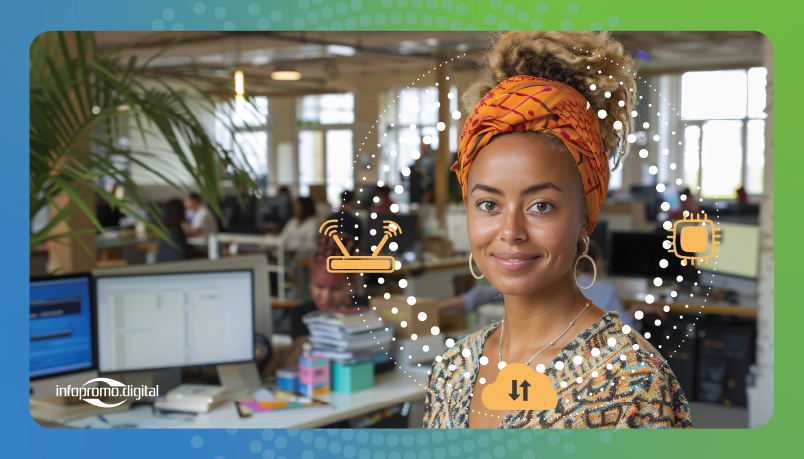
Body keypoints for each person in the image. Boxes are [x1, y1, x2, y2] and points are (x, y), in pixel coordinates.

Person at [424, 31, 690, 429]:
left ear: (585, 216)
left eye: (541, 206)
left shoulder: (633, 382)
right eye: (489, 205)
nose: (510, 231)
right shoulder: (451, 369)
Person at [284, 232, 361, 367]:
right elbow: (293, 363)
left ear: (351, 284)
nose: (325, 297)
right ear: (310, 281)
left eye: (335, 289)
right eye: (319, 286)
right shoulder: (301, 315)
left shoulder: (365, 311)